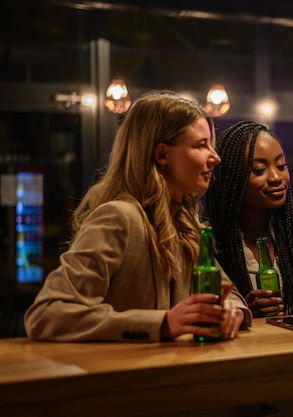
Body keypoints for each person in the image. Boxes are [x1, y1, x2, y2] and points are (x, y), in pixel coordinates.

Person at [24, 90, 251, 342]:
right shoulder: (118, 217)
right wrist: (162, 324)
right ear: (162, 154)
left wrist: (233, 311)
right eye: (201, 145)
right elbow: (46, 314)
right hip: (122, 379)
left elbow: (228, 294)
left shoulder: (186, 225)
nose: (215, 157)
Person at [206, 120, 293, 317]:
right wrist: (244, 312)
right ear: (232, 180)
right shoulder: (209, 240)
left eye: (281, 165)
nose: (277, 177)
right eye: (260, 170)